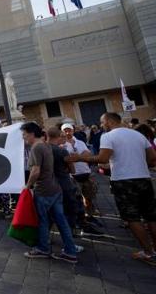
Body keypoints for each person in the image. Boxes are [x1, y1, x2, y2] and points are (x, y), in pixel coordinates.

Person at [68, 113, 156, 265]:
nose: (101, 125)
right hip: (144, 178)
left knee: (132, 217)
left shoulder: (108, 136)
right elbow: (152, 157)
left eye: (102, 122)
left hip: (123, 181)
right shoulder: (137, 134)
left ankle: (149, 252)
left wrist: (80, 158)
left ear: (109, 121)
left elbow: (102, 158)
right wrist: (139, 164)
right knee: (151, 215)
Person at [21, 122, 77, 263]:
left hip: (44, 190)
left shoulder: (36, 147)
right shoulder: (46, 145)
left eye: (25, 134)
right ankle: (70, 251)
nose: (24, 137)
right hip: (55, 189)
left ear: (32, 133)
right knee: (61, 221)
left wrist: (27, 186)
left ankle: (43, 248)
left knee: (43, 221)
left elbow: (35, 171)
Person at [61, 123, 100, 220]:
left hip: (85, 172)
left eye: (69, 130)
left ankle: (90, 215)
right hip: (73, 175)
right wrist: (80, 156)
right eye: (65, 130)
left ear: (73, 130)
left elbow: (88, 154)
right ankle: (81, 218)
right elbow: (66, 159)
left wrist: (77, 157)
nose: (67, 132)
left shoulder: (80, 142)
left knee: (89, 196)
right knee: (76, 198)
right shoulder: (62, 145)